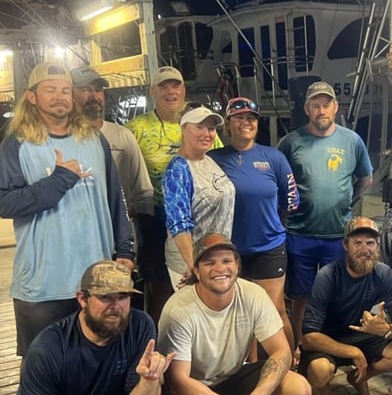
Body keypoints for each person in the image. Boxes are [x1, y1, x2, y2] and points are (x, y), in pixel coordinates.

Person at [0, 62, 134, 357]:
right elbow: (4, 203)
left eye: (66, 91)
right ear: (32, 97)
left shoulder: (95, 140)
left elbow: (114, 199)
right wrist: (59, 180)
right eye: (51, 90)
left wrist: (125, 251)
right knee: (41, 364)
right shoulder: (17, 144)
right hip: (43, 284)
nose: (60, 97)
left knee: (97, 357)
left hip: (96, 279)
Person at [5, 260, 179, 395]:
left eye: (123, 296)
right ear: (82, 299)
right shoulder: (48, 348)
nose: (115, 307)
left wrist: (149, 380)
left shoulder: (140, 325)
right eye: (105, 297)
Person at [158, 233, 311, 395]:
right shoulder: (178, 310)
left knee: (300, 392)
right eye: (209, 262)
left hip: (232, 377)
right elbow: (178, 383)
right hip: (193, 386)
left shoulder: (253, 294)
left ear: (237, 266)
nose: (220, 268)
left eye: (226, 261)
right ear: (196, 271)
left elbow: (282, 352)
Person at [277, 81, 373, 360]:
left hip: (337, 236)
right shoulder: (290, 142)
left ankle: (331, 347)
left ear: (335, 106)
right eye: (315, 105)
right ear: (307, 109)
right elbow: (278, 182)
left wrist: (345, 203)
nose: (322, 110)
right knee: (300, 297)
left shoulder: (352, 140)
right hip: (299, 234)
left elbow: (365, 179)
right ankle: (300, 346)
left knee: (335, 295)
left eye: (326, 104)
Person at [126, 66, 222, 324]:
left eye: (175, 85)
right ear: (152, 92)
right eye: (163, 86)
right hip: (154, 218)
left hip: (199, 220)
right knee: (159, 287)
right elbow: (124, 171)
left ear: (183, 90)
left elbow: (215, 161)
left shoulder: (200, 122)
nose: (171, 91)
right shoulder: (136, 127)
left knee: (198, 291)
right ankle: (156, 338)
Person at [208, 97, 299, 356]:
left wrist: (270, 222)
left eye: (251, 118)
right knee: (240, 314)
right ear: (228, 123)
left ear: (257, 124)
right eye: (239, 117)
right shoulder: (213, 159)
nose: (245, 122)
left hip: (268, 246)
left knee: (275, 310)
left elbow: (291, 200)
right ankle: (252, 368)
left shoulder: (274, 158)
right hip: (228, 251)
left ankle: (290, 363)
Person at [300, 216, 392, 395]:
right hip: (328, 340)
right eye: (357, 243)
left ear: (377, 246)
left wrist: (387, 330)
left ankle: (359, 379)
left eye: (370, 243)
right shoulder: (327, 276)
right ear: (345, 246)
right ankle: (323, 390)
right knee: (320, 371)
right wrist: (353, 352)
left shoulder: (384, 273)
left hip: (362, 337)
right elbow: (309, 337)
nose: (364, 249)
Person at [163, 105, 234, 290]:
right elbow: (179, 224)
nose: (206, 133)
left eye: (211, 128)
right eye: (199, 127)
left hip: (216, 257)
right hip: (194, 263)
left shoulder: (208, 160)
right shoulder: (177, 170)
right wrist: (193, 266)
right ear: (184, 129)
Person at [71, 66, 154, 220]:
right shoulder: (63, 140)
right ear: (70, 94)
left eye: (98, 90)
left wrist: (146, 230)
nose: (94, 96)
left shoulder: (122, 136)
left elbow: (142, 191)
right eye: (85, 90)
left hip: (121, 230)